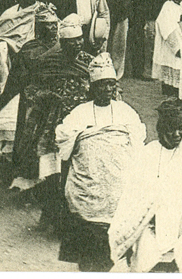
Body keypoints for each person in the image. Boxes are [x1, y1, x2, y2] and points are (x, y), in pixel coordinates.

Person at [56, 54, 145, 272]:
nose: (107, 90)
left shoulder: (126, 112)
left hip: (117, 186)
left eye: (111, 85)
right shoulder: (79, 113)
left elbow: (137, 148)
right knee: (89, 256)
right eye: (102, 85)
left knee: (117, 254)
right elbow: (65, 147)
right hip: (88, 189)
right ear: (93, 87)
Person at [108, 97, 182, 272]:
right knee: (144, 260)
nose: (177, 135)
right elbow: (132, 195)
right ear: (161, 129)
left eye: (181, 129)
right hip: (151, 224)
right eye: (171, 130)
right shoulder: (148, 151)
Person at [12, 12, 91, 228]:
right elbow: (30, 90)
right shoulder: (48, 62)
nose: (77, 45)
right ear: (63, 42)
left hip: (82, 127)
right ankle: (50, 214)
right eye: (72, 41)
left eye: (80, 40)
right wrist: (47, 97)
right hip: (53, 126)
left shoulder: (88, 63)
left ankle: (75, 219)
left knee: (78, 172)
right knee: (52, 173)